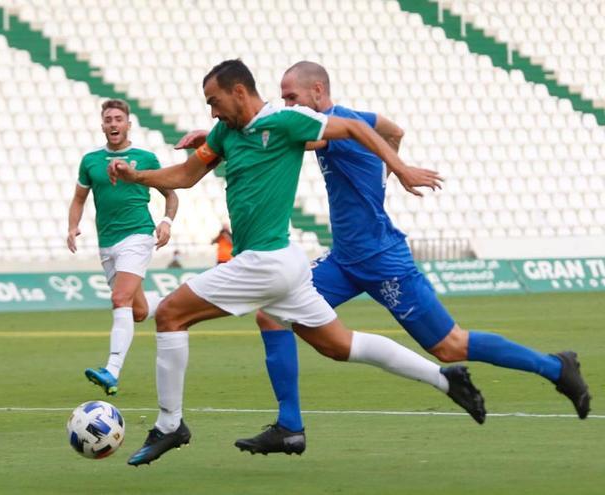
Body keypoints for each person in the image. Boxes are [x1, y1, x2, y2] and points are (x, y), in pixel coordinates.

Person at [109, 59, 476, 466]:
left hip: (264, 262)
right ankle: (443, 378)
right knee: (340, 345)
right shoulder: (224, 133)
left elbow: (354, 127)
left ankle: (169, 424)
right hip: (285, 267)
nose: (212, 111)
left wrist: (401, 169)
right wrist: (136, 177)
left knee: (170, 315)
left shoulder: (286, 121)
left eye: (215, 101)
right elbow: (185, 174)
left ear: (239, 92)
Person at [229, 60, 591, 454]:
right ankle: (290, 426)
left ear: (318, 91)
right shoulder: (351, 118)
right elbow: (394, 129)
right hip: (345, 261)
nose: (287, 104)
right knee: (272, 314)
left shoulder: (334, 126)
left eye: (292, 96)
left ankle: (556, 368)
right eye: (283, 98)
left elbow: (288, 138)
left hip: (384, 261)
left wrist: (237, 130)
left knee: (450, 345)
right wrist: (387, 170)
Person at [67, 99, 179, 396]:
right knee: (138, 311)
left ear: (128, 124)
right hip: (107, 242)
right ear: (102, 125)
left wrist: (166, 222)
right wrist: (72, 226)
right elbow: (79, 198)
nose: (113, 123)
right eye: (108, 119)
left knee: (119, 299)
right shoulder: (90, 161)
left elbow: (171, 194)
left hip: (138, 235)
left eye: (119, 118)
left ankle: (112, 370)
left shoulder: (146, 158)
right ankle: (176, 302)